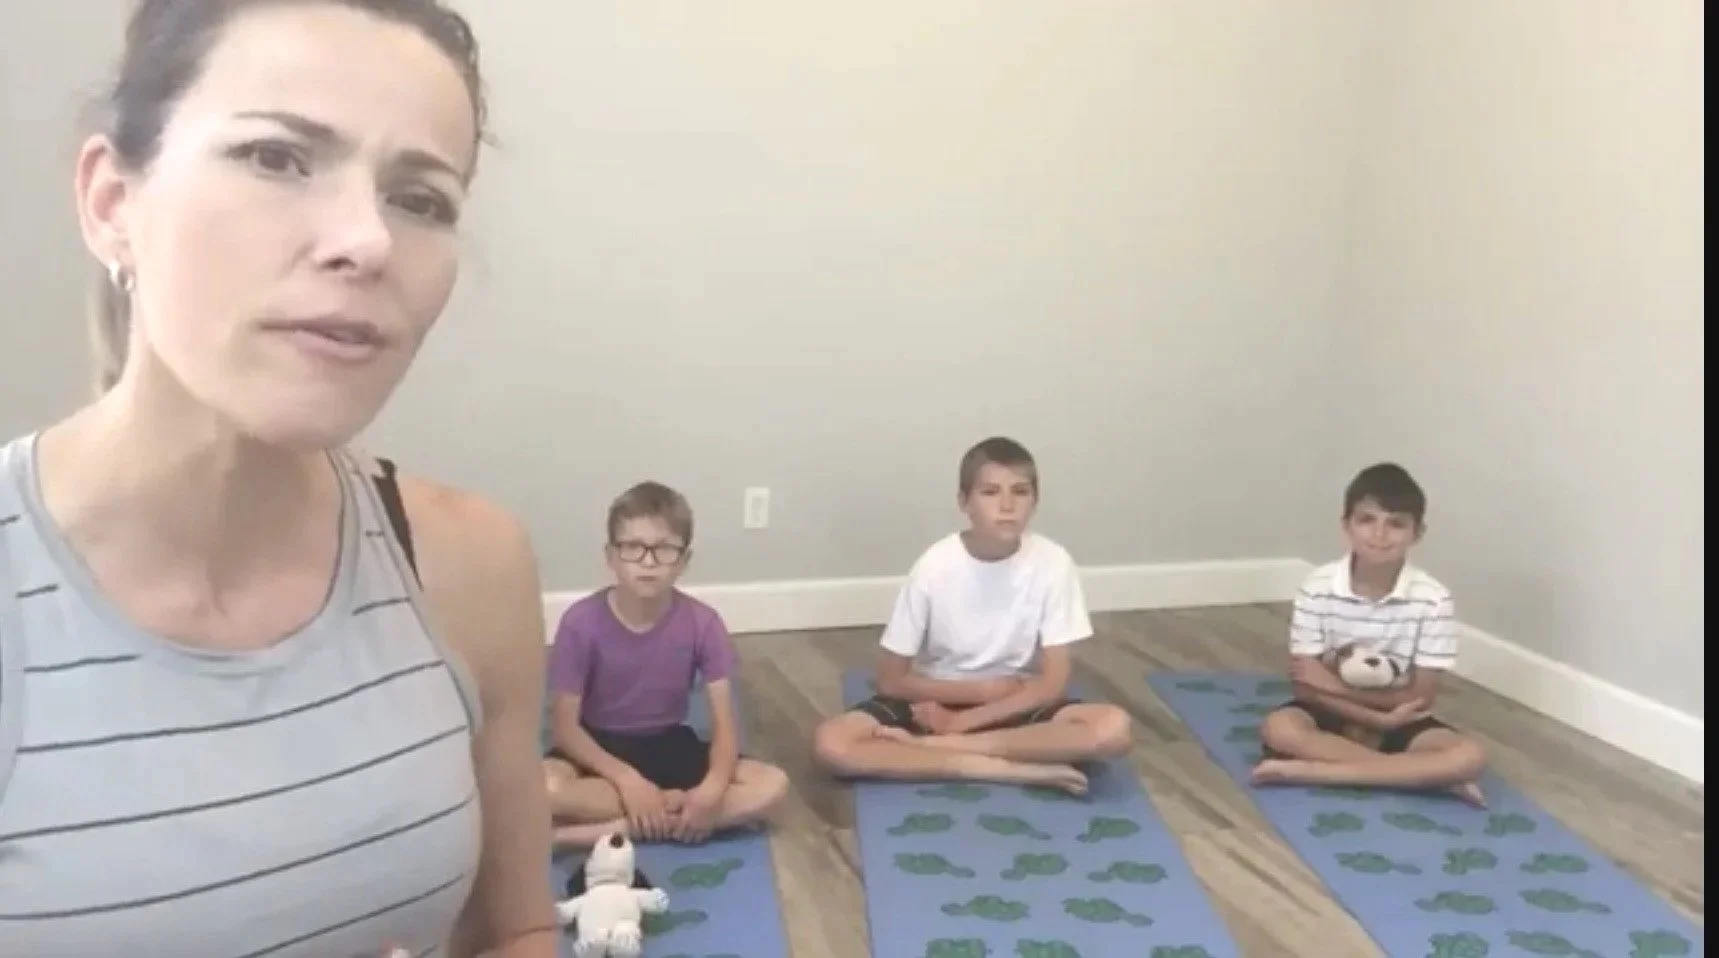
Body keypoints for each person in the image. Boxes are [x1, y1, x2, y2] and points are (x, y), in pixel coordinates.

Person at [0, 2, 559, 956]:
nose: (368, 240)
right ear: (112, 202)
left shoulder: (469, 566)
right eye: (276, 157)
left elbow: (514, 929)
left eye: (420, 200)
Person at [813, 437, 1133, 796]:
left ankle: (935, 749)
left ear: (1035, 501)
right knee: (832, 744)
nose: (1007, 505)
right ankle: (999, 768)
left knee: (1112, 728)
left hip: (1013, 703)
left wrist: (961, 723)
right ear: (965, 502)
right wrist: (979, 691)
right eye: (990, 492)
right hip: (934, 700)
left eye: (1020, 492)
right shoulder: (934, 566)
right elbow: (890, 680)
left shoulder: (1054, 563)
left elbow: (1052, 684)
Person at [543, 482, 789, 848]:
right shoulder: (579, 623)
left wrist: (713, 788)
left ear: (684, 561)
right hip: (599, 750)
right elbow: (565, 729)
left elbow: (725, 725)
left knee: (773, 784)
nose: (648, 562)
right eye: (633, 547)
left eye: (664, 550)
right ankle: (673, 813)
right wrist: (627, 781)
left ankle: (601, 831)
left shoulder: (704, 623)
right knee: (544, 786)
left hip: (669, 744)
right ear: (611, 556)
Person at [1253, 463, 1489, 806]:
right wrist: (1374, 718)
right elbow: (1305, 686)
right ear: (1346, 525)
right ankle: (1419, 777)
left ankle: (1315, 771)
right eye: (1367, 520)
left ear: (1417, 533)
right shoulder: (1317, 587)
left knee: (1470, 755)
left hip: (1400, 718)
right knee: (1279, 728)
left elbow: (1420, 697)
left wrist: (1334, 685)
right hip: (1332, 710)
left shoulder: (1433, 599)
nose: (1380, 534)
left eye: (1396, 524)